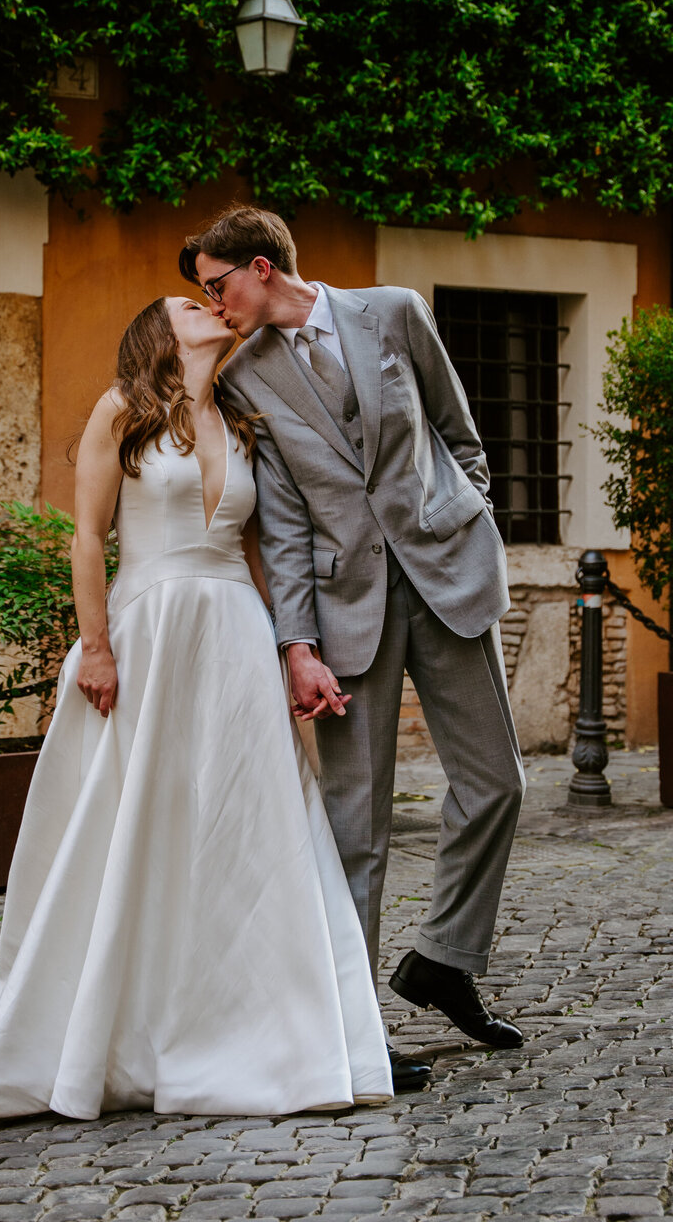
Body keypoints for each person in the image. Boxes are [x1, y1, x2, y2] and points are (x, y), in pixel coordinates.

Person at [0, 292, 392, 1122]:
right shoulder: (121, 409)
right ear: (159, 330)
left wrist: (293, 650)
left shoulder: (241, 420)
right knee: (135, 826)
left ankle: (269, 1041)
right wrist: (96, 646)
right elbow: (88, 536)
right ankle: (112, 1039)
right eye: (193, 302)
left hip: (235, 635)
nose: (212, 305)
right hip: (147, 633)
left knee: (245, 822)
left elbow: (259, 551)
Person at [184, 205, 526, 1093]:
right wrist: (296, 642)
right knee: (355, 829)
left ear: (262, 267)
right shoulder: (244, 378)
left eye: (218, 285)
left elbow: (459, 432)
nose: (215, 306)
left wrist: (467, 516)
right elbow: (284, 525)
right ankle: (353, 1028)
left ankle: (444, 959)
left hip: (447, 580)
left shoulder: (395, 312)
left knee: (497, 783)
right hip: (345, 611)